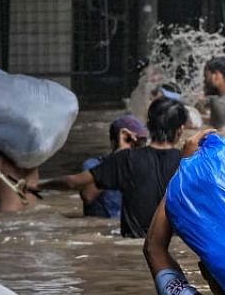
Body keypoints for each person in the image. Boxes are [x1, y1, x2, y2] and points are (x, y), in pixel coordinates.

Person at [35, 98, 191, 238]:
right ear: (180, 130)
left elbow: (72, 183)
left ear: (149, 126)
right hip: (171, 248)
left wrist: (38, 185)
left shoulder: (126, 159)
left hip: (133, 247)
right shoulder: (188, 164)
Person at [77, 115, 149, 218]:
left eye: (141, 144)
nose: (137, 150)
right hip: (101, 227)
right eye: (133, 144)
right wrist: (118, 158)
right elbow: (88, 196)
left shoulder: (144, 166)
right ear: (115, 142)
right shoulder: (93, 165)